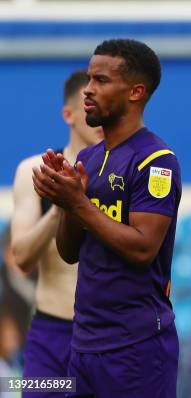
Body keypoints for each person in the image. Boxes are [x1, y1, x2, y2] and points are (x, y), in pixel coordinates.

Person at [31, 39, 181, 397]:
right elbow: (69, 253)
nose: (88, 89)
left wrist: (78, 204)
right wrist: (65, 201)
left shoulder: (156, 161)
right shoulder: (90, 155)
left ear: (135, 92)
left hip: (136, 347)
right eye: (88, 78)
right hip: (83, 344)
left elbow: (144, 248)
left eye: (100, 80)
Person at [10, 70, 103, 397]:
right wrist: (61, 206)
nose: (99, 112)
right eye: (89, 103)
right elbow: (21, 258)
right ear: (69, 114)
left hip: (108, 336)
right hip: (53, 336)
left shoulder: (124, 172)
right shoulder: (35, 171)